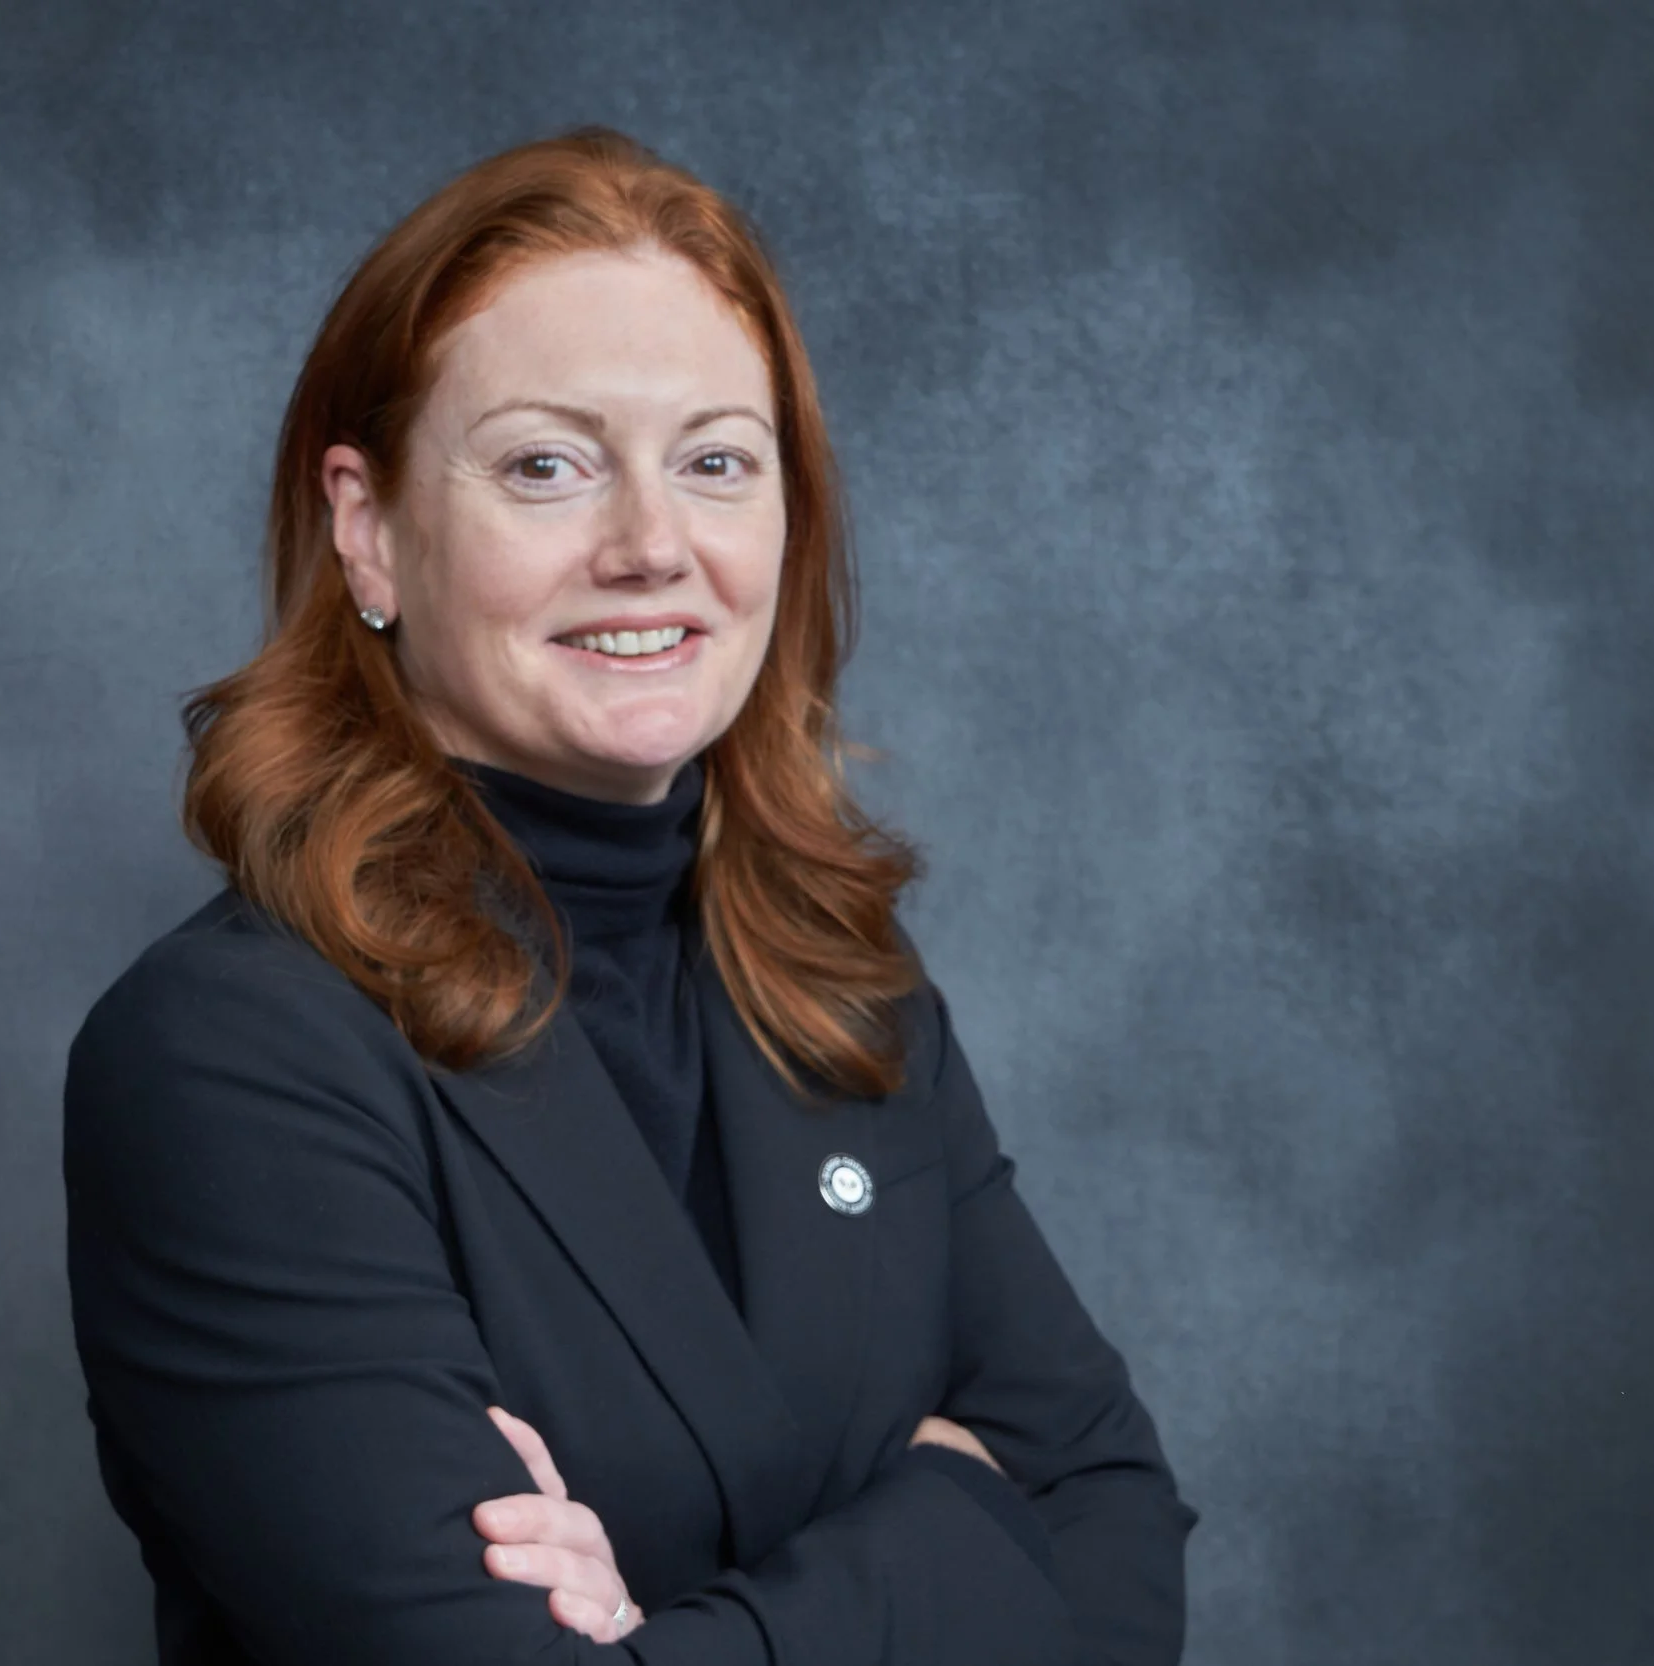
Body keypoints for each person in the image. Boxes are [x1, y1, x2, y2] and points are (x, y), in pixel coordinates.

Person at [63, 125, 1199, 1665]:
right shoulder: (228, 1056)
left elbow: (1122, 1537)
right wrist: (964, 1526)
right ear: (370, 527)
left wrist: (671, 1632)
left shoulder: (843, 986)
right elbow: (1049, 1531)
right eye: (549, 464)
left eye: (717, 462)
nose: (652, 546)